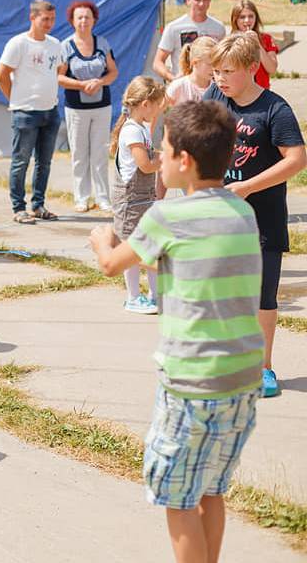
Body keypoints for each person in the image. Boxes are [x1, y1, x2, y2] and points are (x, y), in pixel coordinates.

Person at [90, 100, 264, 563]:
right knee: (211, 489)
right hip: (243, 378)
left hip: (192, 382)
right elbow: (188, 262)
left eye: (162, 151)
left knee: (177, 497)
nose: (158, 159)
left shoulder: (167, 218)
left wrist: (100, 240)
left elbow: (112, 264)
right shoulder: (241, 213)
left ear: (183, 161)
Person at [203, 32, 307, 397]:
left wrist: (247, 187)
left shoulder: (275, 110)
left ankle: (262, 367)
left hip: (261, 219)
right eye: (216, 71)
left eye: (228, 71)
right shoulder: (215, 97)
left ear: (252, 69)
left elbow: (296, 160)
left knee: (262, 297)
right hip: (218, 220)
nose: (220, 79)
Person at [0, 0, 62, 225]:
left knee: (44, 161)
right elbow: (1, 74)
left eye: (52, 19)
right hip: (25, 112)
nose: (50, 23)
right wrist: (15, 98)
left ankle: (38, 204)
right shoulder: (18, 44)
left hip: (50, 110)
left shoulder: (55, 44)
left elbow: (59, 69)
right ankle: (18, 206)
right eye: (45, 19)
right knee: (21, 160)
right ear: (32, 17)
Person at [110, 76, 167, 314]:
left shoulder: (140, 128)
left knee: (151, 247)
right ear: (145, 104)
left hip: (144, 199)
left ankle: (155, 296)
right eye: (156, 105)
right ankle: (133, 297)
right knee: (133, 249)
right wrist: (164, 160)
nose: (157, 110)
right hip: (131, 202)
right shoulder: (132, 131)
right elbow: (144, 165)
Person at [57, 0, 119, 213]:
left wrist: (99, 82)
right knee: (79, 153)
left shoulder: (102, 43)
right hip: (76, 108)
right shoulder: (65, 46)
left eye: (87, 17)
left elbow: (113, 72)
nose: (83, 21)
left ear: (94, 20)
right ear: (73, 21)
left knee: (100, 153)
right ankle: (81, 197)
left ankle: (103, 198)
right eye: (79, 17)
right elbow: (59, 76)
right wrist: (81, 85)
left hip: (102, 106)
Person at [153, 0, 225, 82]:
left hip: (210, 88)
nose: (201, 4)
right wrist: (172, 78)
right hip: (184, 86)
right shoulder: (174, 27)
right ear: (188, 0)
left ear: (210, 1)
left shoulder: (218, 28)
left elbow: (222, 60)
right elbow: (158, 62)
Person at [230, 0, 278, 89]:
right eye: (242, 17)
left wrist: (258, 44)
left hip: (262, 91)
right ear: (235, 19)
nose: (247, 20)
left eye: (251, 16)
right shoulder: (230, 41)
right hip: (239, 91)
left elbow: (272, 69)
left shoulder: (266, 38)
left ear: (256, 18)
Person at [165, 36, 217, 106]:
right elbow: (162, 113)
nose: (214, 68)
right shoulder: (177, 87)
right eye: (210, 64)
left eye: (216, 64)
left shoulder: (218, 88)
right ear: (195, 62)